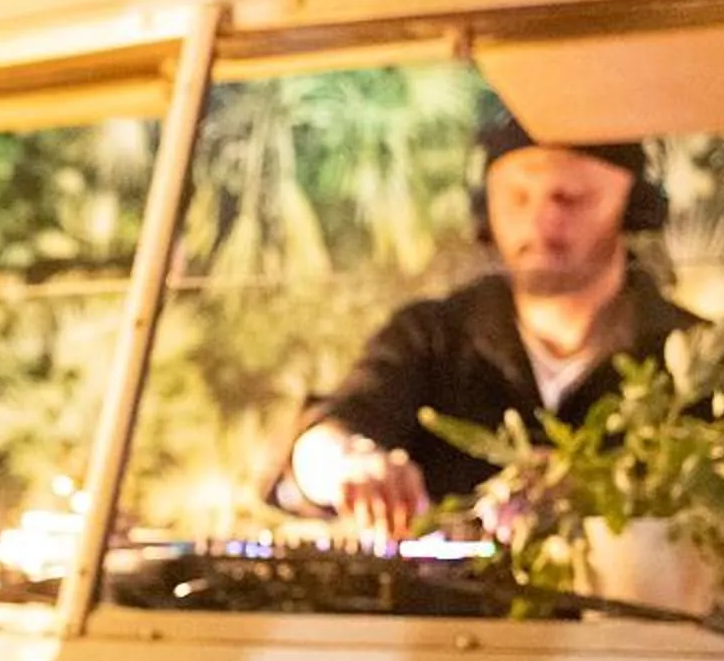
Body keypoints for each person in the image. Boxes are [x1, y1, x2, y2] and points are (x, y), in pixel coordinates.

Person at [282, 113, 701, 540]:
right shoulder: (431, 337)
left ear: (631, 203)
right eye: (518, 196)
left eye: (571, 197)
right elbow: (338, 425)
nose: (541, 219)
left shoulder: (701, 357)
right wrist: (347, 462)